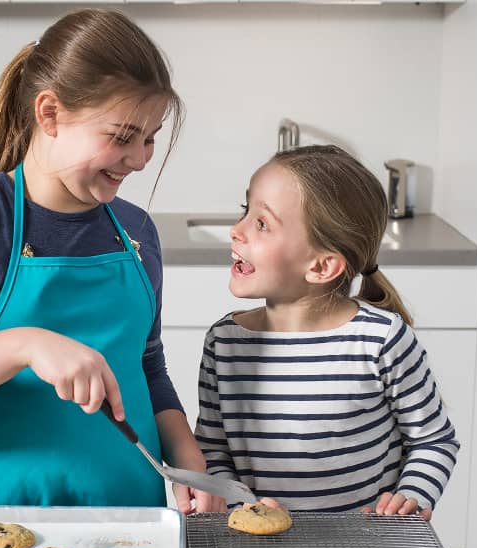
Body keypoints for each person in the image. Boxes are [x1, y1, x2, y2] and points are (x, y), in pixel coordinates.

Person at [0, 8, 224, 513]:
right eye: (122, 137)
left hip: (133, 521)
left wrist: (187, 456)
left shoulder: (137, 231)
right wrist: (23, 345)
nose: (141, 159)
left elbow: (145, 365)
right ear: (50, 113)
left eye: (150, 137)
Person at [195, 145, 459, 519]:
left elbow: (434, 439)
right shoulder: (224, 343)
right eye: (245, 211)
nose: (236, 231)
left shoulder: (381, 341)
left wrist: (412, 495)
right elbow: (213, 448)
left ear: (321, 266)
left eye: (262, 223)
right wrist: (242, 505)